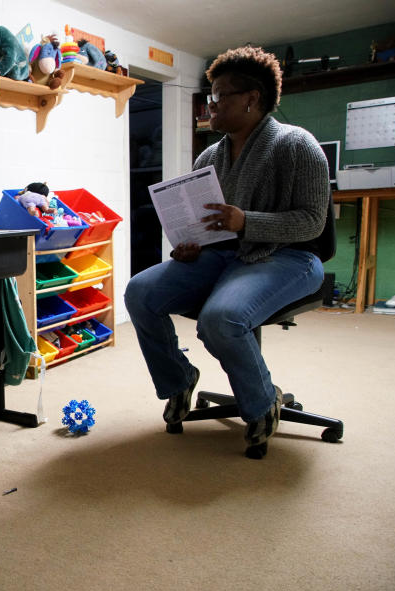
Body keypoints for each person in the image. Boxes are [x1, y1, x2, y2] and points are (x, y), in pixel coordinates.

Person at [123, 46, 329, 459]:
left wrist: (246, 221)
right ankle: (179, 380)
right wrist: (188, 246)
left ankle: (261, 401)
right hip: (224, 256)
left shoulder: (297, 145)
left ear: (252, 99)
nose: (209, 104)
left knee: (221, 319)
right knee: (139, 292)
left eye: (218, 96)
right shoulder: (210, 156)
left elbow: (311, 222)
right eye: (210, 96)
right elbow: (208, 225)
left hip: (290, 257)